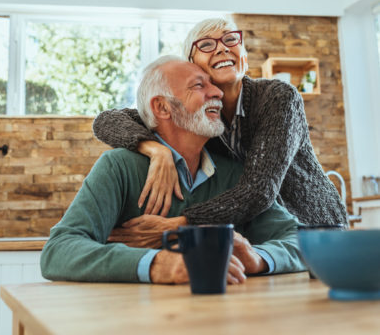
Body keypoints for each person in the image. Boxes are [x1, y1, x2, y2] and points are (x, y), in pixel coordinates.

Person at [40, 56, 306, 284]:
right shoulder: (118, 167)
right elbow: (59, 251)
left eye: (213, 85)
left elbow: (301, 241)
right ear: (162, 107)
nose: (217, 93)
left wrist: (257, 258)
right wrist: (159, 264)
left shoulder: (234, 174)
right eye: (199, 86)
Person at [93, 17, 347, 244]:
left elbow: (259, 190)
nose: (222, 47)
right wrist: (156, 150)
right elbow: (106, 121)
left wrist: (178, 225)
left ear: (243, 55)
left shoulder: (278, 98)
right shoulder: (195, 116)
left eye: (230, 39)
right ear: (192, 65)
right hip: (259, 236)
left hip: (313, 229)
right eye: (206, 45)